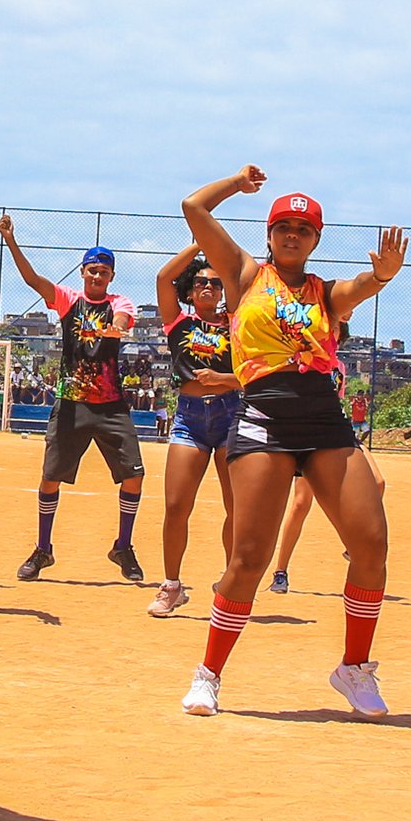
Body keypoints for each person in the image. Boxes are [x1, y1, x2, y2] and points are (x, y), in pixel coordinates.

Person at [178, 169, 405, 717]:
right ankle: (208, 675)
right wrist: (237, 182)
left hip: (323, 420)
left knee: (371, 543)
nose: (293, 235)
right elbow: (193, 207)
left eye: (304, 229)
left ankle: (354, 669)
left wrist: (381, 276)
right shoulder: (244, 274)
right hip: (264, 416)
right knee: (249, 557)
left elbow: (358, 288)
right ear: (270, 233)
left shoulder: (324, 292)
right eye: (284, 227)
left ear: (316, 238)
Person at [0, 217, 145, 583]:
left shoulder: (119, 302)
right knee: (50, 477)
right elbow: (33, 280)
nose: (97, 276)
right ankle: (42, 549)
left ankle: (123, 546)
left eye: (104, 272)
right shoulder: (69, 301)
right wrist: (11, 241)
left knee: (134, 476)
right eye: (92, 270)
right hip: (71, 403)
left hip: (111, 405)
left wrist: (117, 329)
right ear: (82, 272)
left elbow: (123, 319)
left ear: (111, 276)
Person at [148, 246, 239, 617]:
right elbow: (162, 278)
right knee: (176, 505)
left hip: (231, 413)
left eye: (216, 283)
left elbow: (253, 373)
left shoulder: (235, 322)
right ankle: (172, 586)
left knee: (237, 506)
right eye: (201, 281)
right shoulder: (179, 322)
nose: (208, 287)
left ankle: (232, 583)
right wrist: (201, 244)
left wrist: (222, 379)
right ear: (189, 290)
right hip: (189, 417)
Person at [268, 318, 387, 595]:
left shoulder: (339, 367)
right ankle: (280, 571)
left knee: (377, 482)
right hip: (307, 431)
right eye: (328, 328)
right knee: (301, 503)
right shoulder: (303, 359)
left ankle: (351, 546)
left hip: (335, 429)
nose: (330, 333)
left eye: (335, 330)